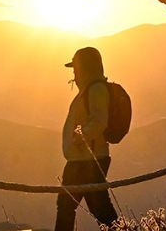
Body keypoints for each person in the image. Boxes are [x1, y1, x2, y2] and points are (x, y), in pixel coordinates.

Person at [55, 47, 120, 231]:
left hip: (86, 159)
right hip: (86, 158)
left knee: (67, 206)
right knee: (99, 207)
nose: (74, 73)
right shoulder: (91, 89)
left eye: (76, 68)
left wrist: (80, 136)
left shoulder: (96, 89)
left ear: (85, 68)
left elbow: (100, 121)